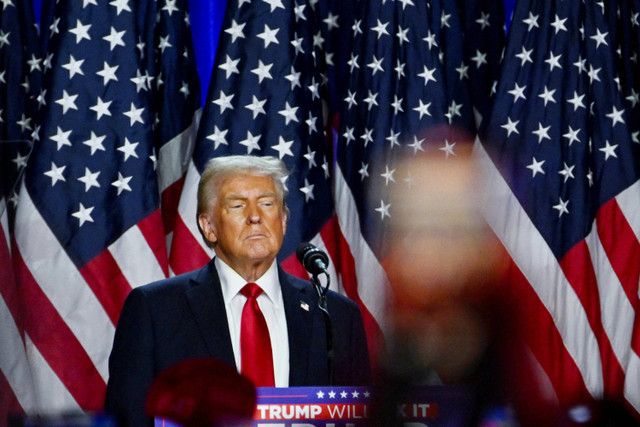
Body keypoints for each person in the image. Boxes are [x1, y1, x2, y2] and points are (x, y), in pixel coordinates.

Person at [104, 155, 371, 426]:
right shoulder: (155, 309)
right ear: (209, 227)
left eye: (267, 204)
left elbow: (362, 417)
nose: (255, 216)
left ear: (283, 219)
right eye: (237, 205)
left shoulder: (335, 315)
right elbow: (128, 418)